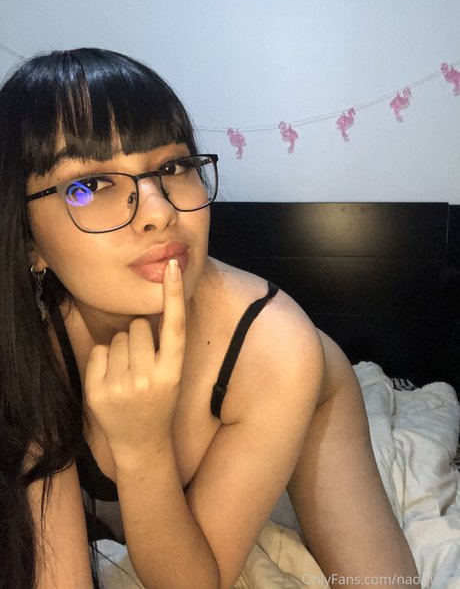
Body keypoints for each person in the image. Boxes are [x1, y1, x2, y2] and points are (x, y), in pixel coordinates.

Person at [0, 47, 421, 589]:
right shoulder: (29, 340)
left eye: (172, 168)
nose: (160, 213)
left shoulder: (275, 346)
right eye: (91, 184)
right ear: (29, 242)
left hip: (306, 394)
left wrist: (144, 448)